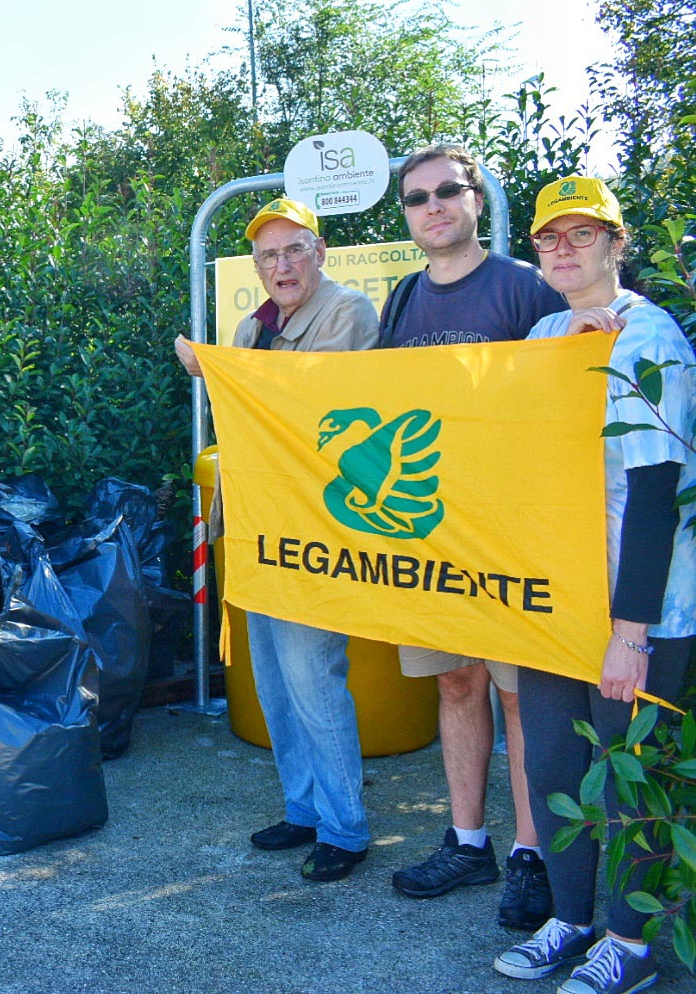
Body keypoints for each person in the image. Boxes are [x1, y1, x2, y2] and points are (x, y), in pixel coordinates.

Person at [492, 177, 695, 994]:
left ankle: (629, 941)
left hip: (639, 607)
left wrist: (628, 635)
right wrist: (559, 362)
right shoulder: (546, 330)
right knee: (551, 766)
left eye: (583, 234)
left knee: (625, 778)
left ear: (616, 244)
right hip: (556, 596)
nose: (563, 249)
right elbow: (501, 445)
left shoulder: (651, 337)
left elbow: (655, 490)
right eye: (549, 237)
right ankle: (570, 919)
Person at [380, 145, 566, 930]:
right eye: (416, 197)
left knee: (523, 697)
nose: (432, 206)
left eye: (446, 191)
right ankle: (466, 844)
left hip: (513, 535)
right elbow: (376, 400)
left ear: (476, 199)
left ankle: (531, 855)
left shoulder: (525, 287)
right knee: (455, 684)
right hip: (431, 536)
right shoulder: (401, 297)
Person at [173, 199, 378, 881]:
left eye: (293, 250)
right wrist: (223, 369)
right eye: (268, 255)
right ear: (257, 267)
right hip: (254, 525)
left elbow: (309, 409)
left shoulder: (348, 312)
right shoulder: (252, 326)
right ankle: (304, 808)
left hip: (312, 532)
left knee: (314, 679)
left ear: (320, 253)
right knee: (274, 682)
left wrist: (216, 369)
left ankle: (345, 828)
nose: (281, 265)